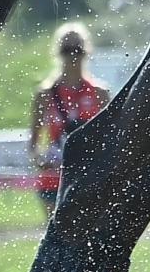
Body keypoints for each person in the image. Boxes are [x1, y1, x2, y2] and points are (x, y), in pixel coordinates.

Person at [31, 22, 111, 214]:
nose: (73, 56)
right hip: (54, 178)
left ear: (86, 52)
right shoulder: (44, 94)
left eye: (78, 50)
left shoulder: (100, 93)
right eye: (67, 50)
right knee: (55, 235)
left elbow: (110, 140)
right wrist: (41, 161)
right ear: (58, 53)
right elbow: (33, 145)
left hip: (89, 177)